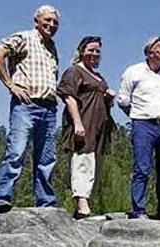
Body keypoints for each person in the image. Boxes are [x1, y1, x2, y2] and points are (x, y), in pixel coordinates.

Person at [0, 5, 60, 213]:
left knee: (47, 158)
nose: (52, 25)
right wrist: (11, 85)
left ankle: (45, 200)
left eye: (55, 22)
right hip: (26, 105)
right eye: (47, 20)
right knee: (16, 151)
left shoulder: (52, 47)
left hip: (49, 108)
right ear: (37, 20)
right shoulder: (24, 37)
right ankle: (1, 197)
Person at [117, 36, 160, 220]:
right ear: (150, 52)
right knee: (142, 168)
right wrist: (137, 117)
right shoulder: (133, 72)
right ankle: (139, 209)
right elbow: (123, 100)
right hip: (143, 124)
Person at [57, 35, 114, 219]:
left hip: (99, 127)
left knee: (95, 164)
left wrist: (109, 98)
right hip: (84, 123)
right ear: (82, 51)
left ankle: (84, 205)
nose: (94, 53)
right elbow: (69, 97)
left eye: (97, 51)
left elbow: (102, 101)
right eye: (91, 50)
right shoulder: (74, 71)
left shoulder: (98, 76)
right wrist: (77, 123)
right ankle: (82, 206)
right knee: (83, 162)